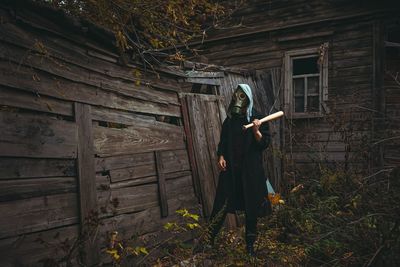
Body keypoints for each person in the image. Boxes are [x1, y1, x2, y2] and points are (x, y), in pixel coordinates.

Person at [207, 84, 272, 256]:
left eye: (242, 97)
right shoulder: (230, 121)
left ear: (248, 99)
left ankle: (250, 247)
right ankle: (208, 241)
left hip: (250, 173)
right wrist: (221, 157)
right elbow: (223, 143)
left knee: (251, 209)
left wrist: (256, 131)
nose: (238, 100)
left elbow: (264, 143)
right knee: (221, 205)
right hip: (231, 173)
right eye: (237, 96)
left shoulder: (258, 118)